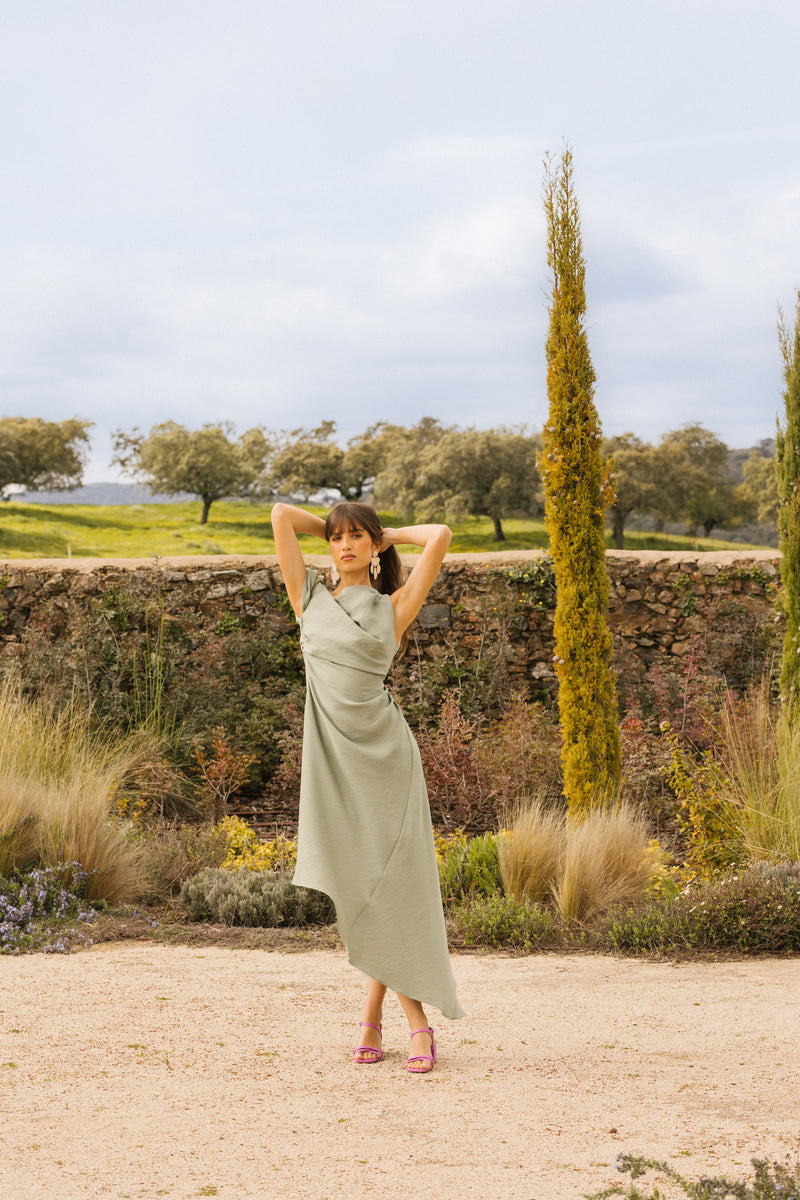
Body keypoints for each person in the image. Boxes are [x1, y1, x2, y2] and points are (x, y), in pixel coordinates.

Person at [270, 499, 464, 1074]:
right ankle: (384, 1014)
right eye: (335, 538)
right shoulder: (305, 595)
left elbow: (442, 535)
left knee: (394, 885)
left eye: (357, 538)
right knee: (364, 884)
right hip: (334, 760)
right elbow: (282, 515)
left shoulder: (394, 606)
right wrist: (339, 524)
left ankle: (408, 1022)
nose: (344, 545)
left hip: (387, 761)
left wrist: (387, 533)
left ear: (375, 546)